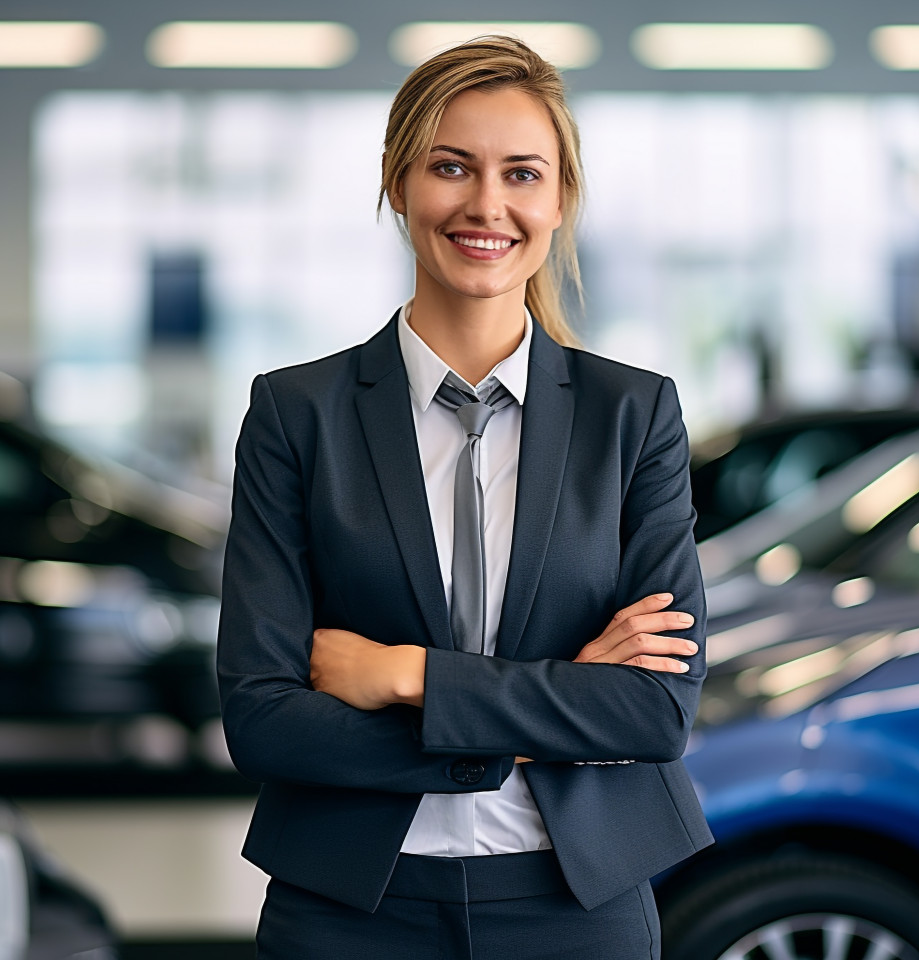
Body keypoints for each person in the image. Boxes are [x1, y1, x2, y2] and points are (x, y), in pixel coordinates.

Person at [217, 35, 712, 960]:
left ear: (560, 199)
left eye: (522, 173)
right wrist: (550, 711)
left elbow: (655, 713)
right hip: (349, 908)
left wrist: (406, 678)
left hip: (577, 905)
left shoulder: (633, 415)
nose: (487, 204)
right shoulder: (297, 414)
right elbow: (264, 718)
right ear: (398, 182)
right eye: (452, 167)